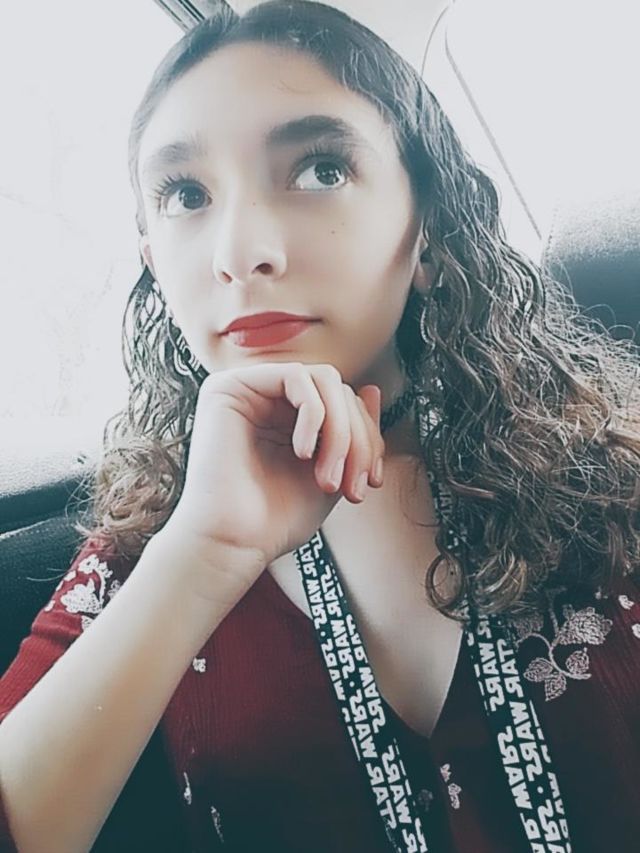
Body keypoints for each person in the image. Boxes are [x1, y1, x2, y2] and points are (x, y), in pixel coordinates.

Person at [1, 1, 639, 850]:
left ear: (428, 231)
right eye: (186, 194)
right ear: (155, 259)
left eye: (320, 170)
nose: (240, 250)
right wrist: (202, 557)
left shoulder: (611, 482)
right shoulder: (143, 550)